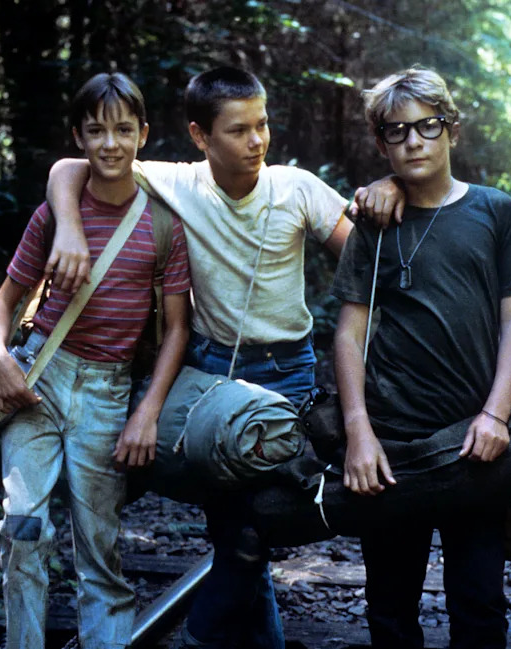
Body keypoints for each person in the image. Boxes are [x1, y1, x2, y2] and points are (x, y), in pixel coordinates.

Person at [44, 66, 402, 649]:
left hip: (285, 373)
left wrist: (387, 189)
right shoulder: (179, 184)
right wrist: (68, 229)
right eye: (238, 130)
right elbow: (68, 168)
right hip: (210, 373)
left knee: (249, 530)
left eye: (262, 125)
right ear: (199, 135)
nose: (258, 140)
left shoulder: (295, 188)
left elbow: (365, 261)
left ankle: (202, 640)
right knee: (235, 530)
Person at [0, 72, 192, 649]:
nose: (110, 143)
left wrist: (147, 410)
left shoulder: (162, 224)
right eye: (96, 130)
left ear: (143, 135)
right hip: (39, 381)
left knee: (100, 549)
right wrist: (0, 356)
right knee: (22, 530)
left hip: (107, 393)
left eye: (123, 129)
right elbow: (1, 303)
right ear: (78, 136)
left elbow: (178, 329)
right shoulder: (56, 214)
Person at [331, 67, 511, 649]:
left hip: (476, 443)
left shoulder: (493, 212)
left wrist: (497, 413)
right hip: (392, 444)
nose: (413, 141)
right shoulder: (373, 222)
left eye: (427, 126)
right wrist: (358, 432)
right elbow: (349, 333)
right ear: (380, 142)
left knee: (480, 606)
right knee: (390, 608)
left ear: (452, 131)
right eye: (396, 131)